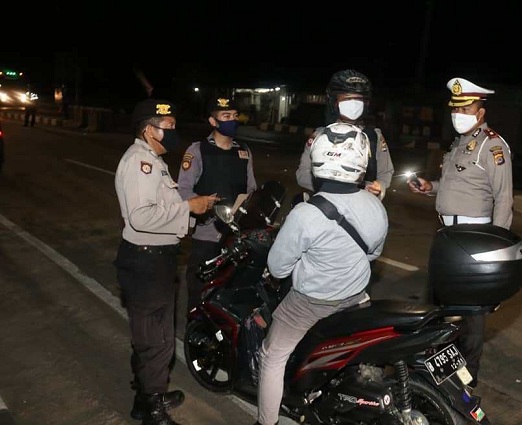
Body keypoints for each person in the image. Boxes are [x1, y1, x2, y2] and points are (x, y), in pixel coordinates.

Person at [255, 122, 389, 425]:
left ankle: (266, 422)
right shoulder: (376, 206)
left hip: (310, 304)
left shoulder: (305, 213)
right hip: (356, 297)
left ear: (317, 157)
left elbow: (278, 268)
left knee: (272, 355)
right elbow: (373, 254)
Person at [114, 98, 219, 425]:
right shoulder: (139, 163)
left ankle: (146, 397)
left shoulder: (153, 161)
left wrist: (195, 209)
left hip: (156, 261)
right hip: (145, 262)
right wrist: (188, 208)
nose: (174, 131)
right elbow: (141, 216)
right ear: (149, 130)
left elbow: (163, 208)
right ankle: (152, 409)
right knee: (155, 340)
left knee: (154, 336)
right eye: (168, 126)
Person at [407, 77, 513, 388]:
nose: (459, 114)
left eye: (465, 109)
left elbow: (504, 199)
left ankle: (467, 376)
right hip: (447, 236)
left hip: (473, 239)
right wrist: (430, 187)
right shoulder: (458, 143)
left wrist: (495, 250)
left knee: (471, 314)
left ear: (480, 112)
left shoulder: (493, 145)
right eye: (455, 109)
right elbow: (455, 185)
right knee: (440, 306)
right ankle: (440, 369)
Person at [177, 96, 257, 312]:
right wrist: (204, 206)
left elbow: (252, 190)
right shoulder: (197, 151)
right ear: (213, 121)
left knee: (230, 292)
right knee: (199, 290)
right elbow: (183, 190)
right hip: (207, 234)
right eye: (225, 116)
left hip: (235, 235)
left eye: (234, 116)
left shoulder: (243, 152)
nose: (232, 120)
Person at [296, 69, 394, 201]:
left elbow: (386, 173)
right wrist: (337, 186)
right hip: (324, 204)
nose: (353, 104)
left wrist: (379, 186)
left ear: (366, 103)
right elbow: (302, 174)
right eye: (347, 98)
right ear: (335, 102)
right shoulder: (320, 135)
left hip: (361, 205)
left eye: (358, 99)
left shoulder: (374, 136)